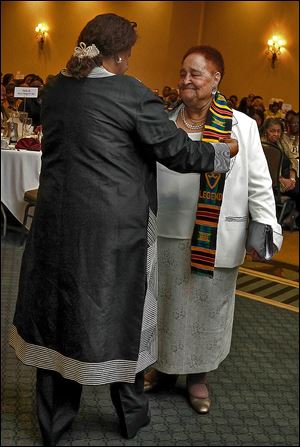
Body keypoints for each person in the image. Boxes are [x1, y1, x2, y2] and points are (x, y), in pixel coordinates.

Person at [9, 14, 238, 446]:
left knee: (61, 316)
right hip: (113, 232)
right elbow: (175, 151)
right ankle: (131, 416)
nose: (130, 62)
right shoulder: (130, 94)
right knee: (119, 318)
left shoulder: (55, 89)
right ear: (118, 54)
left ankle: (54, 424)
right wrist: (220, 152)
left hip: (56, 226)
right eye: (128, 54)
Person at [144, 46, 283, 415]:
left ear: (217, 78)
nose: (186, 80)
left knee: (208, 310)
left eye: (196, 74)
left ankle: (198, 377)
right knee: (166, 306)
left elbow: (259, 183)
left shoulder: (243, 126)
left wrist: (266, 226)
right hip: (166, 231)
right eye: (183, 73)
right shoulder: (163, 121)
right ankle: (163, 370)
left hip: (215, 234)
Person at [261, 117, 299, 227]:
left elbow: (293, 158)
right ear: (265, 131)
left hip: (289, 178)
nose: (276, 134)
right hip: (274, 183)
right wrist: (283, 181)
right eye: (272, 131)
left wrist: (292, 178)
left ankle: (292, 217)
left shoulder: (282, 141)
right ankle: (292, 217)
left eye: (278, 131)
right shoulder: (263, 146)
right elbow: (267, 171)